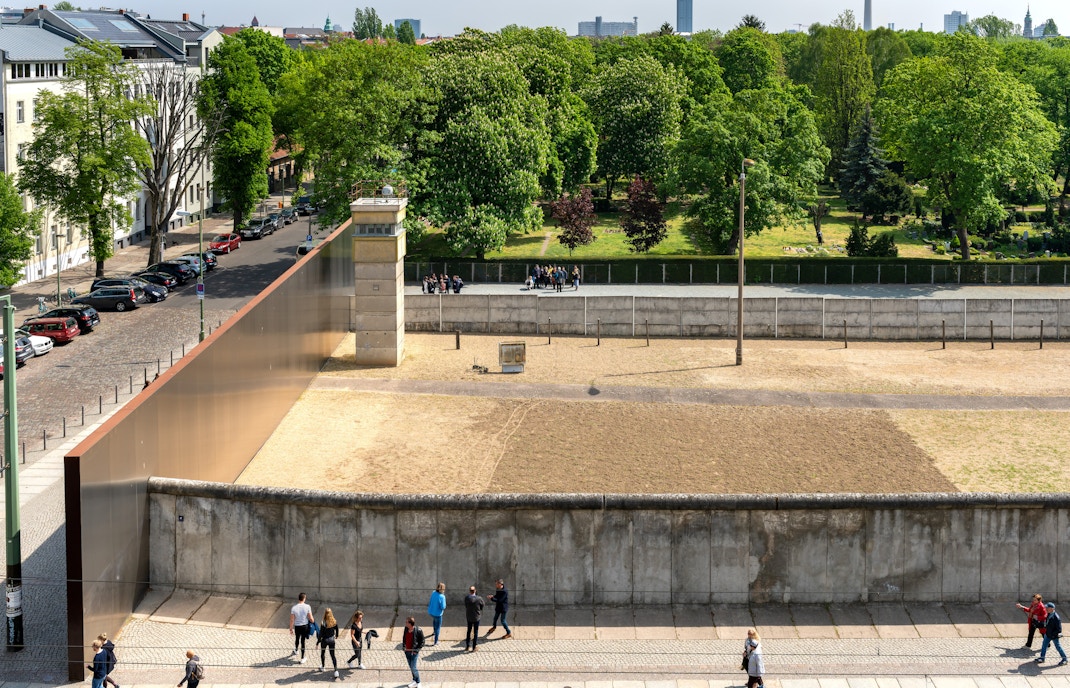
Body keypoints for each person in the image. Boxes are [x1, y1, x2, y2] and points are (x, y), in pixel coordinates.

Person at [289, 592, 314, 663]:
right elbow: (311, 618)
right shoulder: (307, 607)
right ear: (304, 598)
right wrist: (312, 621)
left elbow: (292, 620)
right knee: (303, 641)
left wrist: (291, 628)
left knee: (297, 638)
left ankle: (296, 650)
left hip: (297, 626)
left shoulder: (294, 608)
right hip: (305, 626)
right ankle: (302, 658)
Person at [401, 616, 425, 688]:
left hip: (413, 652)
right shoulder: (406, 629)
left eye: (407, 622)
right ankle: (414, 680)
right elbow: (404, 638)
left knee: (413, 667)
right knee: (411, 667)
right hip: (407, 651)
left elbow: (422, 642)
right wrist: (404, 647)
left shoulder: (418, 630)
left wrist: (416, 650)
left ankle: (418, 681)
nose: (405, 623)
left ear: (410, 624)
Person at [317, 608, 340, 678]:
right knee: (333, 655)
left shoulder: (323, 623)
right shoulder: (334, 621)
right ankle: (336, 670)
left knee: (323, 653)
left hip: (324, 640)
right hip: (332, 640)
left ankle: (323, 666)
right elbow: (337, 629)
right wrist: (336, 635)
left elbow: (320, 634)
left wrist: (317, 642)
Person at [464, 585, 485, 651]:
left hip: (469, 616)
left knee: (469, 631)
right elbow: (482, 605)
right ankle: (474, 647)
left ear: (470, 591)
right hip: (476, 617)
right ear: (475, 591)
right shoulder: (479, 598)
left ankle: (467, 646)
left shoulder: (467, 598)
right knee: (476, 632)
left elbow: (466, 605)